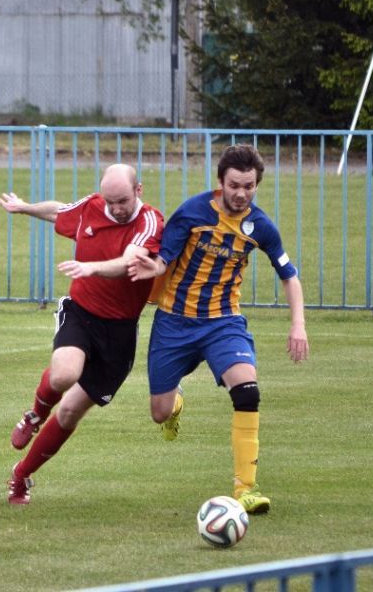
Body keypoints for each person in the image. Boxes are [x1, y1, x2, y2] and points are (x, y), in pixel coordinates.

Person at [127, 144, 309, 514]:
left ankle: (246, 489)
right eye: (234, 185)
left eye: (249, 186)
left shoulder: (261, 227)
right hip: (174, 323)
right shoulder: (193, 213)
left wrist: (298, 325)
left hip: (223, 322)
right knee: (159, 412)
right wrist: (153, 269)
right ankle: (176, 405)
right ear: (220, 182)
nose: (241, 193)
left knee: (247, 390)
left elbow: (290, 277)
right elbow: (164, 259)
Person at [0, 163, 164, 505]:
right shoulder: (91, 207)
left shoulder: (150, 222)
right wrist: (25, 207)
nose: (115, 208)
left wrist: (91, 268)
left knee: (71, 412)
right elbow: (60, 210)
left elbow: (129, 262)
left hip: (119, 331)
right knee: (64, 375)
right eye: (109, 200)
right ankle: (33, 415)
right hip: (82, 313)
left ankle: (21, 475)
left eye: (122, 200)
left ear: (139, 191)